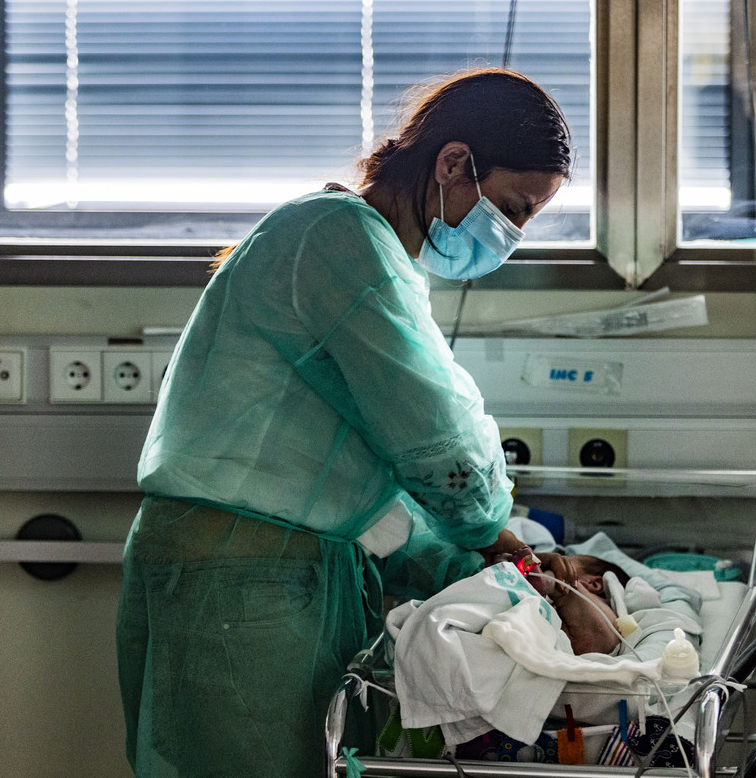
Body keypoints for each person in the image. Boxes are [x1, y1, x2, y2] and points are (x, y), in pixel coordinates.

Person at [115, 67, 574, 778]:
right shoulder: (339, 242)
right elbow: (436, 435)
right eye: (514, 208)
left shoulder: (363, 253)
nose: (512, 235)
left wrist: (462, 560)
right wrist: (490, 529)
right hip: (241, 585)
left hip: (265, 574)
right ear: (454, 163)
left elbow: (356, 474)